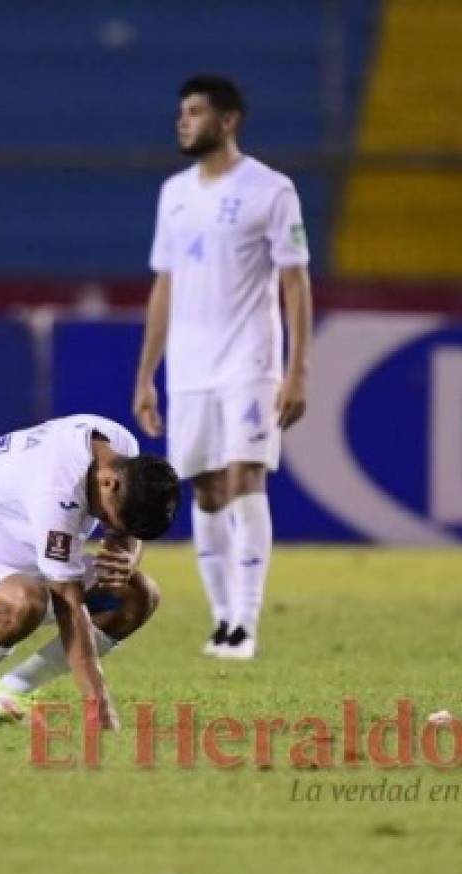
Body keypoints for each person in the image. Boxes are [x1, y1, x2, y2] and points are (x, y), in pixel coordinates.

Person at [133, 74, 314, 660]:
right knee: (207, 491)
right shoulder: (174, 193)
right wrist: (147, 375)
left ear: (228, 121)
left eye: (194, 112)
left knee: (245, 477)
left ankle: (246, 622)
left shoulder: (272, 189)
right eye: (180, 111)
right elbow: (164, 285)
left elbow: (294, 281)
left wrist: (298, 369)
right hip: (189, 370)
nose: (182, 121)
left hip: (250, 360)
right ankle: (220, 621)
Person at [0, 415, 180, 730]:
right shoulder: (56, 487)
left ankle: (12, 692)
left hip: (18, 572)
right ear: (110, 483)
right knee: (24, 600)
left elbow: (126, 531)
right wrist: (98, 703)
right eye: (113, 519)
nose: (112, 529)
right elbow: (68, 605)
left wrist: (128, 553)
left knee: (136, 594)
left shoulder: (120, 448)